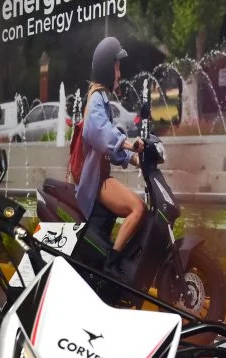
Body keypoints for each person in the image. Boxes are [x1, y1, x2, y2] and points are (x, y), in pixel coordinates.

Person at [75, 36, 146, 275]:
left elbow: (109, 148)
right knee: (138, 208)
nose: (119, 73)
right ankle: (112, 265)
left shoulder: (102, 99)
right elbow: (99, 133)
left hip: (99, 178)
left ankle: (114, 258)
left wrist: (134, 159)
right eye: (116, 67)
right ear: (107, 68)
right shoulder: (96, 99)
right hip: (96, 181)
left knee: (136, 208)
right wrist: (129, 145)